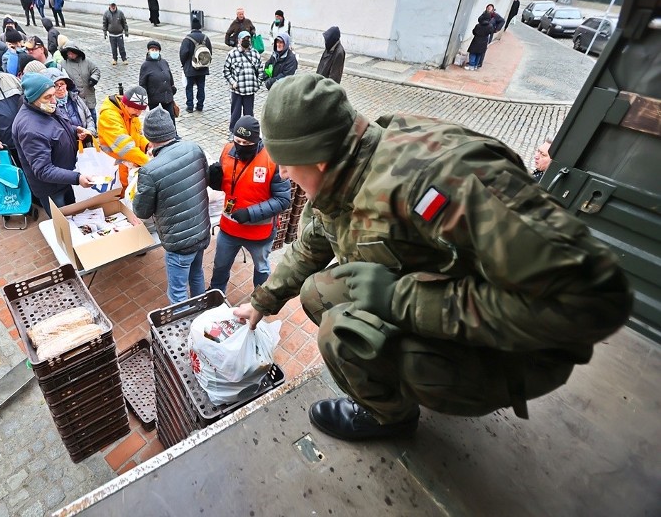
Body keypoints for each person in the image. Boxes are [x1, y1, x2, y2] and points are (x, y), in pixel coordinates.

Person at [232, 73, 631, 442]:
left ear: (317, 158)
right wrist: (262, 302)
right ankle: (397, 375)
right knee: (320, 292)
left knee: (341, 332)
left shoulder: (440, 178)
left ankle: (390, 418)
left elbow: (593, 300)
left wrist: (398, 300)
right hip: (460, 302)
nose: (281, 173)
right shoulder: (349, 163)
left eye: (286, 163)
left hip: (520, 352)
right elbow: (315, 240)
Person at [133, 106, 211, 304]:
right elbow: (205, 179)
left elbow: (142, 211)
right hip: (201, 231)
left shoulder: (149, 171)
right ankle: (200, 313)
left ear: (149, 137)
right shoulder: (194, 148)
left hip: (178, 242)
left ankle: (183, 328)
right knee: (196, 275)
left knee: (177, 292)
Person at [208, 115, 290, 294]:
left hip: (260, 232)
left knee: (261, 269)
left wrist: (250, 213)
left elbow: (283, 200)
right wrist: (215, 181)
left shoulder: (272, 159)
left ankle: (260, 301)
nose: (240, 147)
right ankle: (215, 295)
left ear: (257, 141)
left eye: (246, 143)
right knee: (220, 266)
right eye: (237, 141)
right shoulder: (227, 151)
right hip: (229, 227)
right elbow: (229, 184)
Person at [13, 72, 97, 216]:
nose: (54, 100)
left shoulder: (46, 106)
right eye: (48, 96)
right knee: (64, 222)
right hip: (52, 188)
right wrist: (77, 178)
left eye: (53, 94)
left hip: (66, 177)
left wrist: (75, 130)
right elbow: (43, 169)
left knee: (76, 215)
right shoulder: (30, 128)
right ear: (34, 98)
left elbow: (58, 126)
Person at [97, 85, 150, 190]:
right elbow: (125, 147)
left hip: (126, 169)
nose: (139, 113)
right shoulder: (109, 116)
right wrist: (149, 163)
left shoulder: (131, 114)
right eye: (136, 109)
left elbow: (138, 136)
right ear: (125, 104)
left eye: (141, 110)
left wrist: (148, 146)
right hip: (113, 172)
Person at [222, 30, 261, 135]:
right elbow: (226, 71)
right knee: (235, 114)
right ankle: (233, 132)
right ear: (239, 40)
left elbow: (260, 70)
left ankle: (250, 132)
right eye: (244, 39)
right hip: (237, 91)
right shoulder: (232, 54)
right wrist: (232, 82)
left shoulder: (255, 54)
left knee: (249, 114)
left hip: (249, 91)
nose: (246, 40)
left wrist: (257, 84)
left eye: (248, 38)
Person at [45, 67, 96, 133]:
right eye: (56, 85)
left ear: (66, 85)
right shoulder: (50, 107)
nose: (60, 88)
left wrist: (89, 131)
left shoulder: (75, 98)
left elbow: (88, 117)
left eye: (62, 84)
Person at [138, 40, 177, 124]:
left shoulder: (164, 62)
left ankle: (174, 133)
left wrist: (172, 87)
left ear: (159, 51)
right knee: (154, 118)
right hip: (153, 97)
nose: (154, 52)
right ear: (148, 51)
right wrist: (144, 97)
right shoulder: (145, 65)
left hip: (166, 94)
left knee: (170, 116)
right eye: (152, 50)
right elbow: (142, 83)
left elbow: (169, 75)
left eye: (156, 50)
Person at [179, 15, 211, 113]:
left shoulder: (188, 39)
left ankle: (190, 106)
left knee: (189, 87)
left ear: (192, 27)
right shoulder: (206, 38)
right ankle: (200, 105)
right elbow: (210, 52)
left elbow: (183, 53)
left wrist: (184, 65)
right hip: (203, 67)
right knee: (201, 87)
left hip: (190, 68)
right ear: (200, 27)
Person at [60, 40, 100, 112]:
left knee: (92, 116)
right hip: (75, 98)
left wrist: (93, 79)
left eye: (72, 53)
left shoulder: (87, 62)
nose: (70, 55)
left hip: (88, 95)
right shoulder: (63, 64)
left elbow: (95, 70)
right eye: (69, 54)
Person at [103, 0, 128, 65]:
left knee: (121, 47)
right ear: (109, 6)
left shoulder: (120, 13)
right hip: (111, 34)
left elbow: (124, 22)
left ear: (116, 5)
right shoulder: (106, 13)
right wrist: (105, 32)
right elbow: (104, 23)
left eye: (114, 5)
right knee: (113, 48)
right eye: (112, 5)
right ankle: (114, 59)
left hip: (119, 34)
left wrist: (126, 31)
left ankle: (124, 59)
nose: (113, 7)